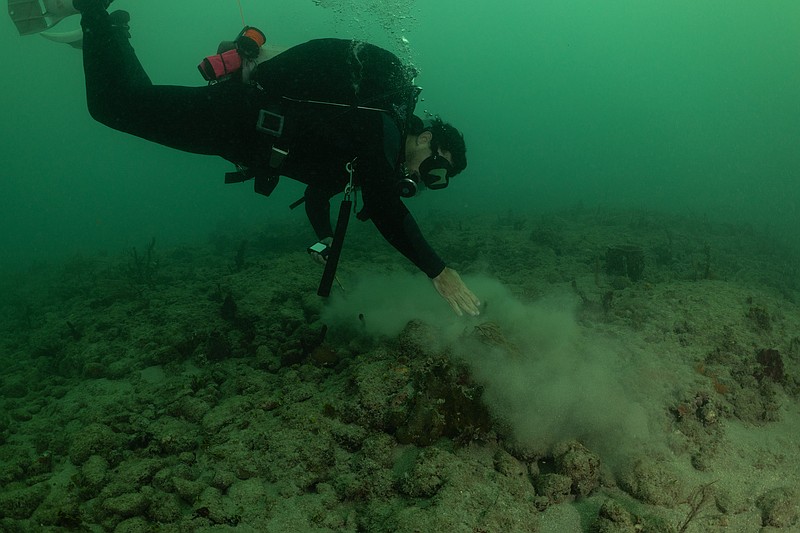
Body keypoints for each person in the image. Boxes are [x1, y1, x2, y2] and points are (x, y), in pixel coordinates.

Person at [13, 0, 482, 316]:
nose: (425, 182)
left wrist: (324, 247)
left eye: (435, 183)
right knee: (113, 107)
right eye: (435, 170)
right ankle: (95, 13)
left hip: (238, 132)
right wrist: (438, 271)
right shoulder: (381, 126)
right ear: (427, 138)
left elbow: (321, 195)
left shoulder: (365, 147)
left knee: (130, 103)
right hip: (236, 120)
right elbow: (384, 207)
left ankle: (110, 33)